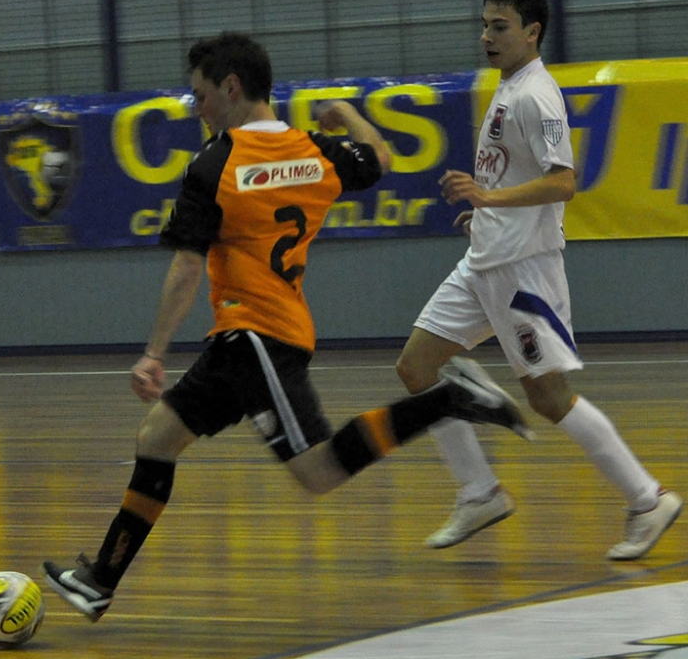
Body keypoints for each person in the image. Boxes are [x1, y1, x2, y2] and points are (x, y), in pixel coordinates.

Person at [41, 31, 533, 622]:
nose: (195, 108)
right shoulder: (316, 151)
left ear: (231, 87)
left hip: (256, 336)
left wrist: (153, 353)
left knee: (319, 472)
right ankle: (100, 580)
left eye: (199, 95)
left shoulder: (214, 163)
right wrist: (349, 114)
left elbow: (187, 266)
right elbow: (380, 158)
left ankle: (449, 398)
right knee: (157, 439)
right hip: (257, 336)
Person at [395, 0, 682, 560]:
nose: (486, 37)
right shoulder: (506, 87)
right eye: (484, 25)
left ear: (532, 32)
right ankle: (479, 492)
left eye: (499, 27)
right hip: (485, 260)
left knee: (549, 400)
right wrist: (484, 215)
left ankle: (647, 500)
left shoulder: (535, 94)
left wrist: (486, 199)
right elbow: (510, 175)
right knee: (416, 367)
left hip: (524, 272)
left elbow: (563, 182)